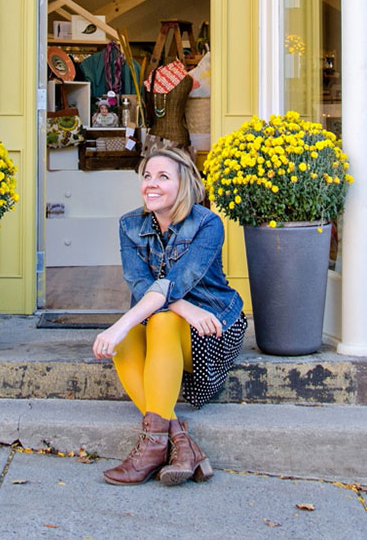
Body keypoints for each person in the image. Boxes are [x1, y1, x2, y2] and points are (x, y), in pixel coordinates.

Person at [93, 146, 247, 486]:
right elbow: (139, 284)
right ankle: (175, 439)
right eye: (147, 176)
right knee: (128, 341)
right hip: (167, 326)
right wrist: (181, 306)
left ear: (184, 184)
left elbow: (176, 282)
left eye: (163, 177)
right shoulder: (130, 225)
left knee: (155, 320)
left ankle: (153, 447)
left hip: (211, 328)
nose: (151, 184)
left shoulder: (207, 223)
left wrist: (119, 324)